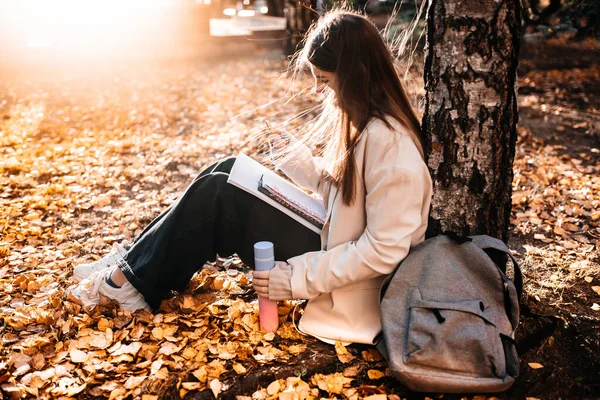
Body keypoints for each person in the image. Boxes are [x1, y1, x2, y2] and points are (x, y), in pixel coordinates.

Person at [68, 9, 433, 345]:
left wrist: (293, 276)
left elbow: (384, 252)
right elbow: (347, 199)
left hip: (352, 285)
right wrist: (300, 163)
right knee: (225, 170)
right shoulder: (367, 124)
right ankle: (131, 265)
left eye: (324, 80)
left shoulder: (393, 148)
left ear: (355, 76)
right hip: (332, 244)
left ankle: (128, 282)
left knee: (220, 194)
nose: (319, 92)